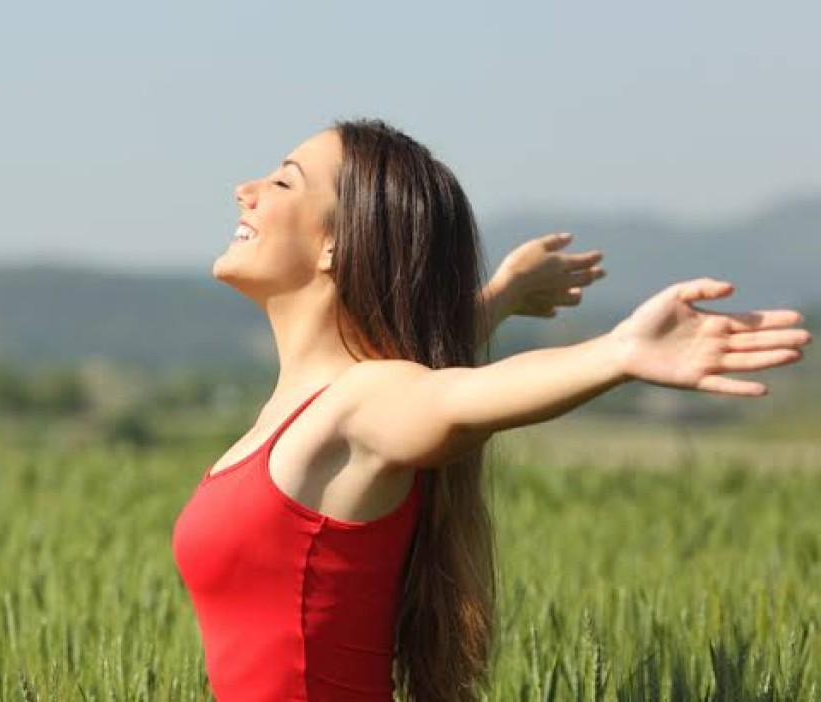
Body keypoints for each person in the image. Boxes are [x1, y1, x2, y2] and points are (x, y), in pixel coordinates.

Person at [170, 117, 810, 702]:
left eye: (284, 181)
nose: (245, 191)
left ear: (336, 244)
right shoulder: (310, 408)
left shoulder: (361, 404)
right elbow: (428, 363)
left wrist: (617, 352)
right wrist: (501, 297)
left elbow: (450, 398)